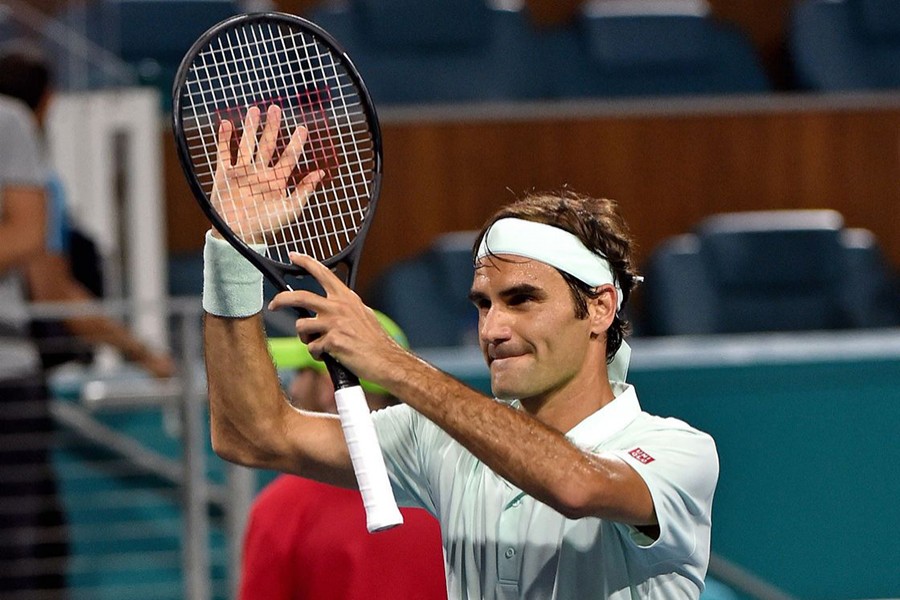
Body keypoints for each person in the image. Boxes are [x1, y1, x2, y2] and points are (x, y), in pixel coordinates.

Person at [201, 108, 719, 598]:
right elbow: (251, 434)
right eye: (483, 304)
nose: (493, 328)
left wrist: (391, 364)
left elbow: (577, 485)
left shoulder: (679, 452)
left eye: (522, 300)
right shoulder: (439, 442)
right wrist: (231, 256)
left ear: (600, 308)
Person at [239, 312, 447, 600]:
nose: (293, 388)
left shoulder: (282, 508)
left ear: (329, 387)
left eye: (301, 374)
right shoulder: (451, 489)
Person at [0, 46, 176, 378]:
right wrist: (140, 352)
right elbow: (52, 291)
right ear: (48, 101)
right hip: (20, 371)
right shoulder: (42, 188)